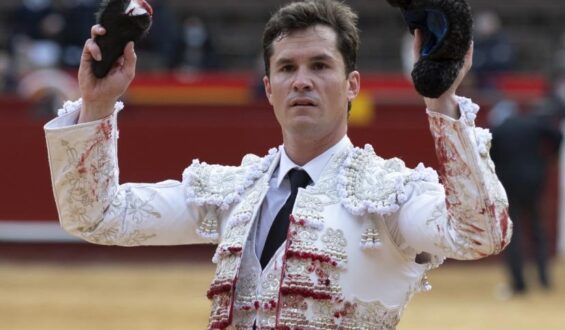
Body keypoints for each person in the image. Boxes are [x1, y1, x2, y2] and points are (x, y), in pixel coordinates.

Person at [43, 1, 511, 328]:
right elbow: (96, 215)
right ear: (268, 89)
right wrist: (98, 104)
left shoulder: (391, 195)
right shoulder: (232, 192)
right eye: (287, 69)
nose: (302, 82)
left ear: (351, 85)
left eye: (320, 66)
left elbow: (481, 233)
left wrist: (442, 101)